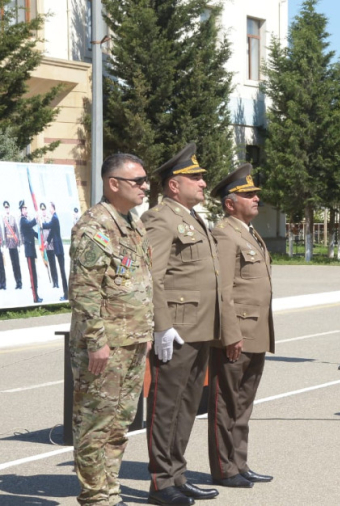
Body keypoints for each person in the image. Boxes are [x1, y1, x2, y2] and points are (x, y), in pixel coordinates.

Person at [68, 153, 153, 506]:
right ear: (113, 183)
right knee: (95, 424)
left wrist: (146, 333)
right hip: (105, 346)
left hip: (131, 340)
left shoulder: (132, 223)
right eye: (138, 181)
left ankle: (110, 492)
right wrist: (95, 342)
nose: (145, 187)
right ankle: (94, 497)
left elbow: (137, 281)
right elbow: (84, 291)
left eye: (146, 180)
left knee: (119, 424)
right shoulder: (94, 227)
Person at [142, 143, 222, 506]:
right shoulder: (161, 219)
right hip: (176, 330)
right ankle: (161, 483)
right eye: (196, 177)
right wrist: (161, 326)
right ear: (174, 185)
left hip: (199, 328)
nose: (204, 182)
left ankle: (177, 474)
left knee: (188, 406)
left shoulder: (192, 218)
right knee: (167, 407)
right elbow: (152, 277)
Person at [207, 165, 274, 489]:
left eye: (255, 193)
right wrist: (230, 334)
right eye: (248, 195)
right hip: (237, 336)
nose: (256, 198)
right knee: (226, 404)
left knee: (244, 404)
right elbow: (223, 290)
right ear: (230, 203)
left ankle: (239, 463)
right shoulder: (224, 233)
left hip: (256, 333)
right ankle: (224, 468)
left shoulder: (248, 232)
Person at [42, 201, 69, 300]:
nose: (49, 209)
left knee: (62, 272)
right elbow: (52, 232)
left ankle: (66, 295)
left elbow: (48, 226)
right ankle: (66, 294)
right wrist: (47, 242)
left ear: (53, 208)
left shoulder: (54, 218)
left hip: (58, 249)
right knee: (62, 271)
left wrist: (40, 223)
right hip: (58, 248)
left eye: (50, 208)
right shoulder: (54, 218)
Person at [19, 200, 42, 303]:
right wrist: (36, 218)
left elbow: (33, 233)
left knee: (34, 274)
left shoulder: (26, 221)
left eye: (26, 208)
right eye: (24, 209)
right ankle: (35, 298)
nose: (26, 210)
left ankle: (37, 295)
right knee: (32, 275)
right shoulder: (23, 220)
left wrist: (41, 238)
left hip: (32, 250)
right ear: (21, 210)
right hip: (28, 251)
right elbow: (30, 224)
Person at [2, 201, 23, 289]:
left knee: (17, 264)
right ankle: (16, 282)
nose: (7, 209)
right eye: (5, 208)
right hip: (9, 244)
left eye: (7, 207)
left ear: (9, 208)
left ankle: (19, 282)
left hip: (14, 243)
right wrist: (5, 245)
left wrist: (19, 244)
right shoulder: (3, 219)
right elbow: (4, 232)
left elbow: (17, 230)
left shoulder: (13, 217)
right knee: (13, 264)